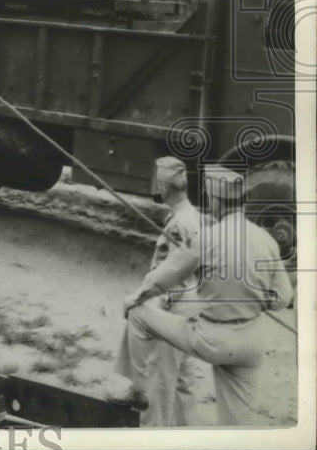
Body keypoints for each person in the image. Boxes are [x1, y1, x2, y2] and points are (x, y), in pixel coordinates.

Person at [110, 165, 294, 426]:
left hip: (211, 338)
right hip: (251, 344)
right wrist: (252, 296)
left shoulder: (207, 238)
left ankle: (138, 391)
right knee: (237, 426)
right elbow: (283, 299)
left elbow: (162, 279)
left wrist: (134, 298)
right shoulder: (266, 239)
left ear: (216, 200)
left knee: (139, 314)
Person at [109, 157, 201, 426]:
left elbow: (172, 274)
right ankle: (184, 438)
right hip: (191, 303)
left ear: (164, 188)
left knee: (160, 385)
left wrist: (140, 297)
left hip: (176, 304)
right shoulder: (190, 215)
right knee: (183, 381)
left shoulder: (180, 224)